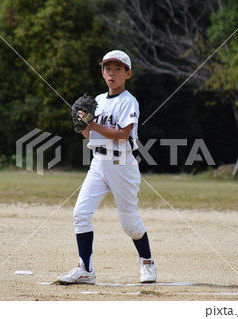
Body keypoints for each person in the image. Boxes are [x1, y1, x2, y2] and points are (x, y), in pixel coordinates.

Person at [57, 50, 156, 285]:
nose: (111, 73)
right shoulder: (98, 101)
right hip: (99, 162)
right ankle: (85, 269)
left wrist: (91, 123)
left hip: (122, 162)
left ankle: (147, 262)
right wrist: (82, 124)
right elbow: (89, 135)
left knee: (129, 223)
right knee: (80, 213)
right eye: (107, 68)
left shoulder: (129, 101)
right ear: (102, 72)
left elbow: (123, 135)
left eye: (118, 69)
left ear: (128, 74)